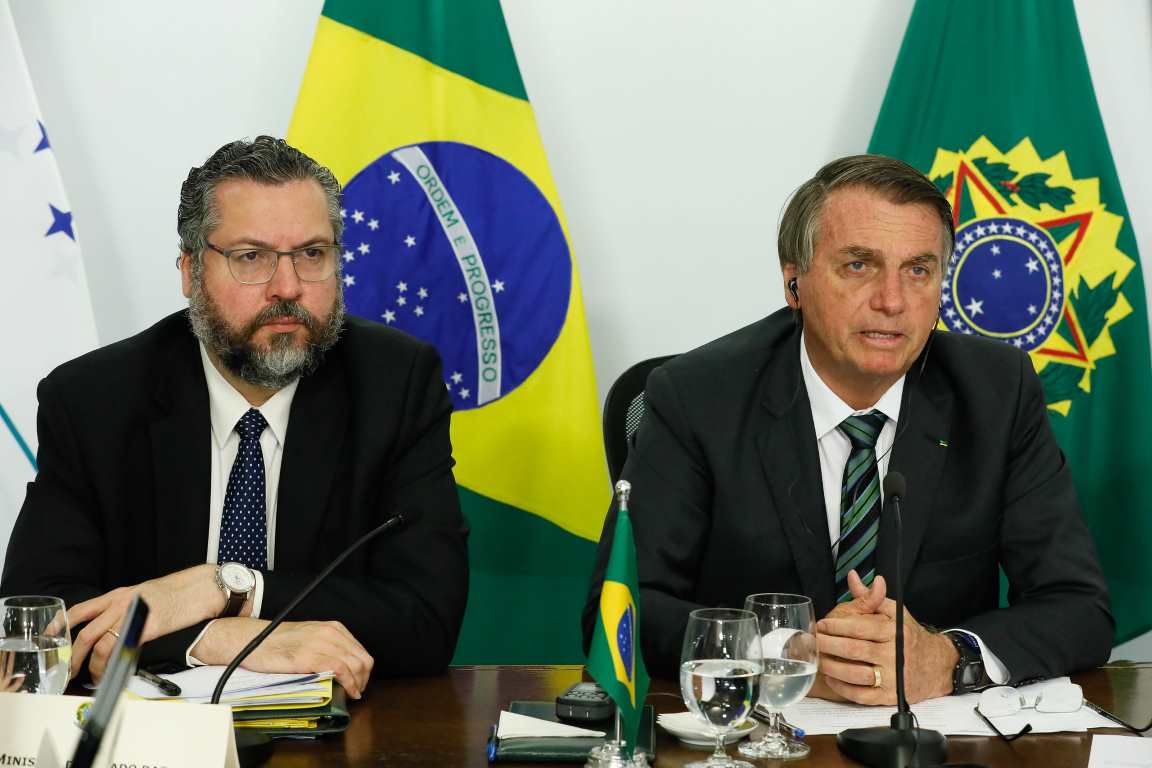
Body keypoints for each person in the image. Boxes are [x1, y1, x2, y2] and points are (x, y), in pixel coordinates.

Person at [583, 154, 1112, 704]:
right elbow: (619, 609)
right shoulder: (697, 397)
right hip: (757, 730)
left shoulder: (997, 393)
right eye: (859, 265)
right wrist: (787, 653)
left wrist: (949, 659)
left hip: (934, 734)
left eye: (918, 270)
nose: (892, 301)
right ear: (794, 282)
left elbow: (1079, 607)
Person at [1, 136, 469, 697]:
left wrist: (229, 588)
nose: (288, 287)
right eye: (251, 257)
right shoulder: (95, 400)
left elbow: (426, 619)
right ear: (190, 272)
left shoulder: (395, 384)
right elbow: (41, 623)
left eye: (312, 254)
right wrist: (216, 637)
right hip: (154, 733)